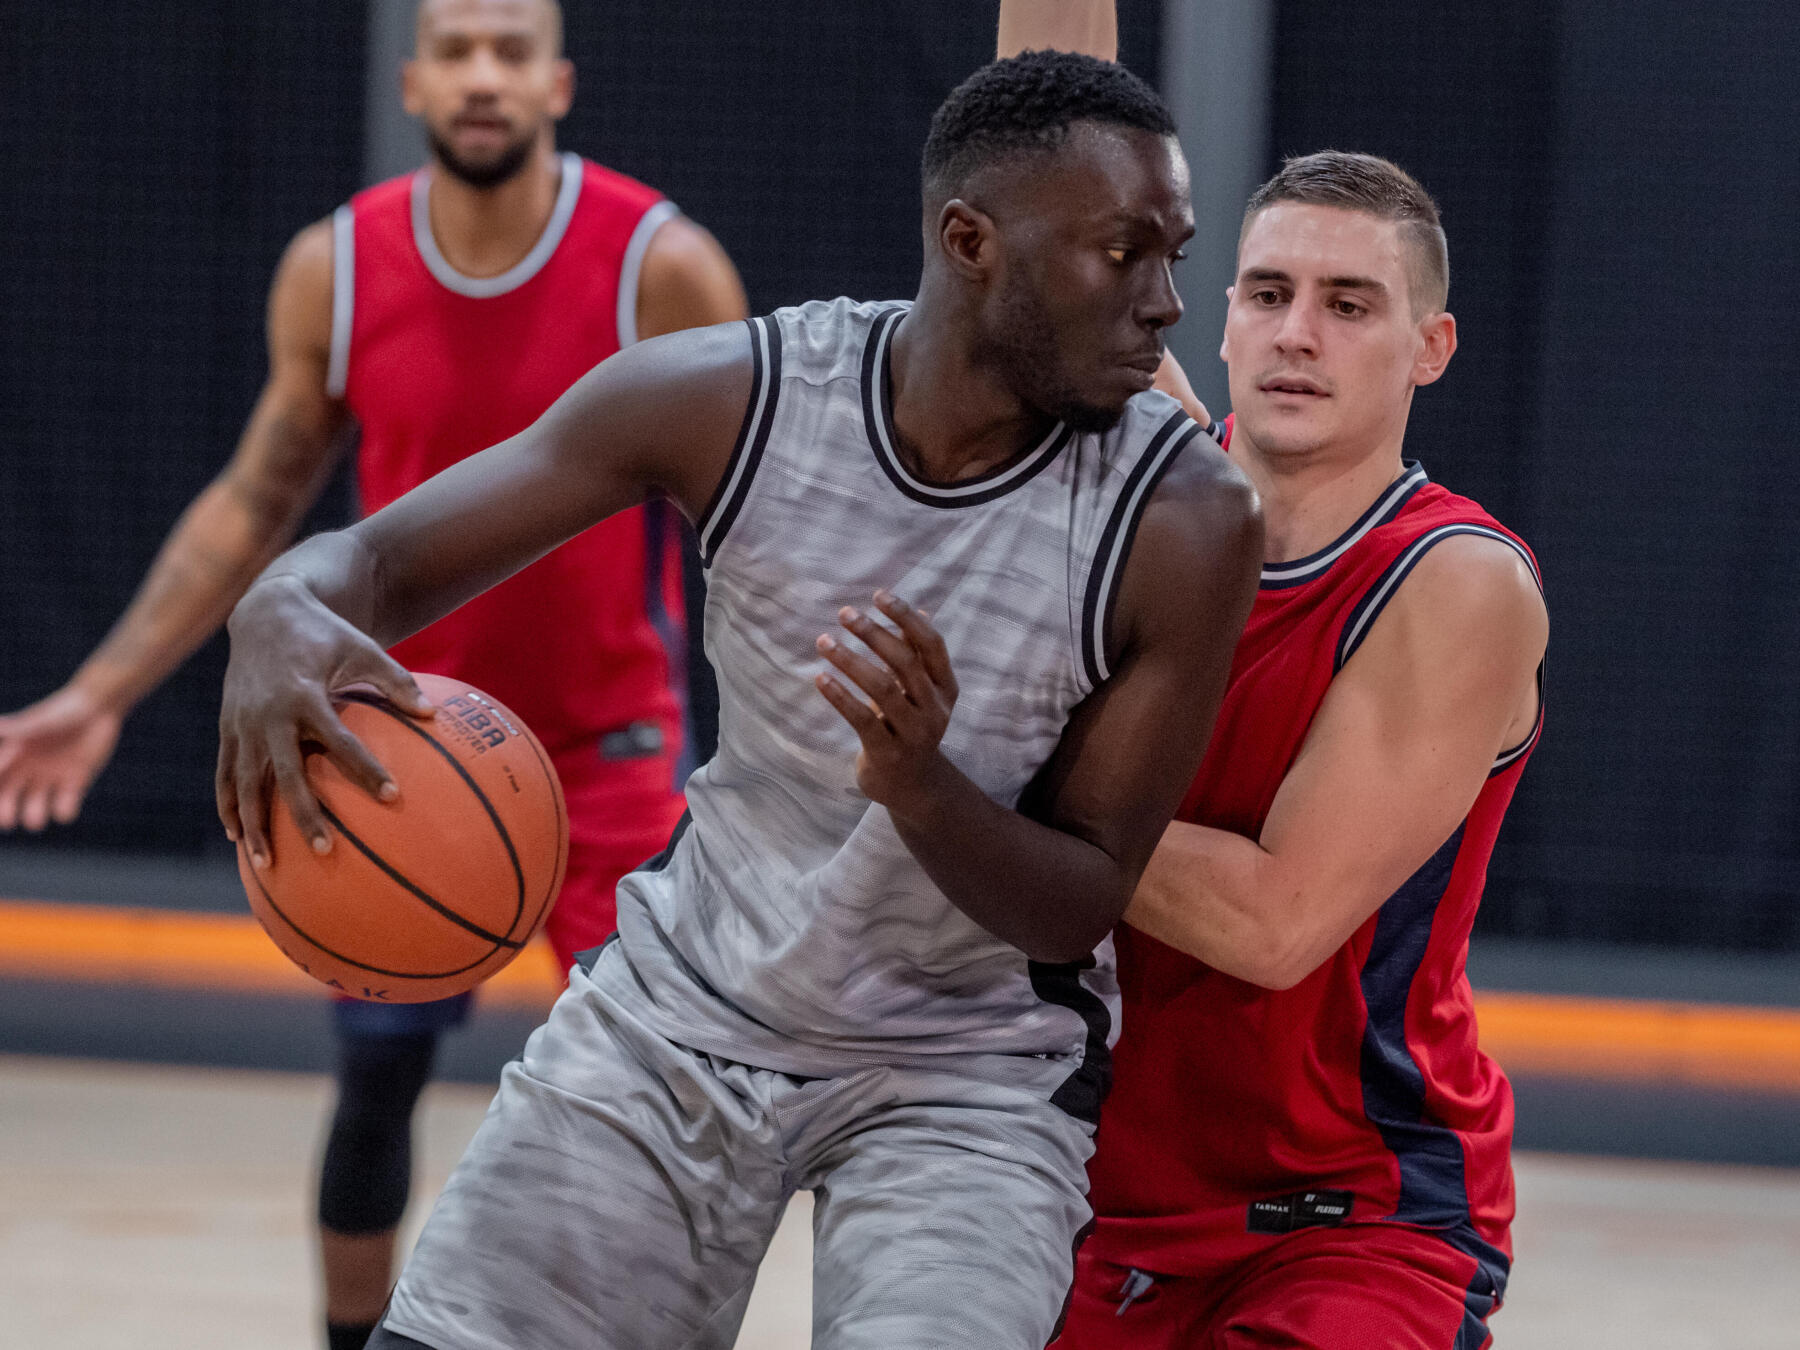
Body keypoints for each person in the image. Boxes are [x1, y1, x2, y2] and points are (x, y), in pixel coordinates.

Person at [215, 50, 1263, 1350]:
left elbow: (1086, 892)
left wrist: (920, 785)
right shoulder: (739, 398)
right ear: (970, 240)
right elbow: (369, 562)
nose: (1169, 303)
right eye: (1124, 253)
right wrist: (273, 613)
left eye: (1177, 251)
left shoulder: (1188, 518)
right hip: (686, 1011)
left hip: (968, 1071)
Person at [0, 3, 747, 1346]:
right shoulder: (335, 269)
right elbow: (252, 503)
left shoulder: (660, 264)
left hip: (609, 747)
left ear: (558, 81)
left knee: (656, 1094)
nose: (481, 75)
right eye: (455, 48)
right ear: (411, 79)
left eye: (510, 50)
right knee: (375, 1081)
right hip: (399, 739)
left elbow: (756, 522)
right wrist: (99, 691)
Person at [1000, 8, 1548, 1347]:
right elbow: (1042, 170)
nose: (1299, 331)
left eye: (1350, 304)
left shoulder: (1457, 580)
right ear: (1219, 315)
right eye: (1268, 292)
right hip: (1106, 1199)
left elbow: (1270, 922)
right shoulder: (1139, 491)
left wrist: (979, 771)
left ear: (1431, 348)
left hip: (1353, 1213)